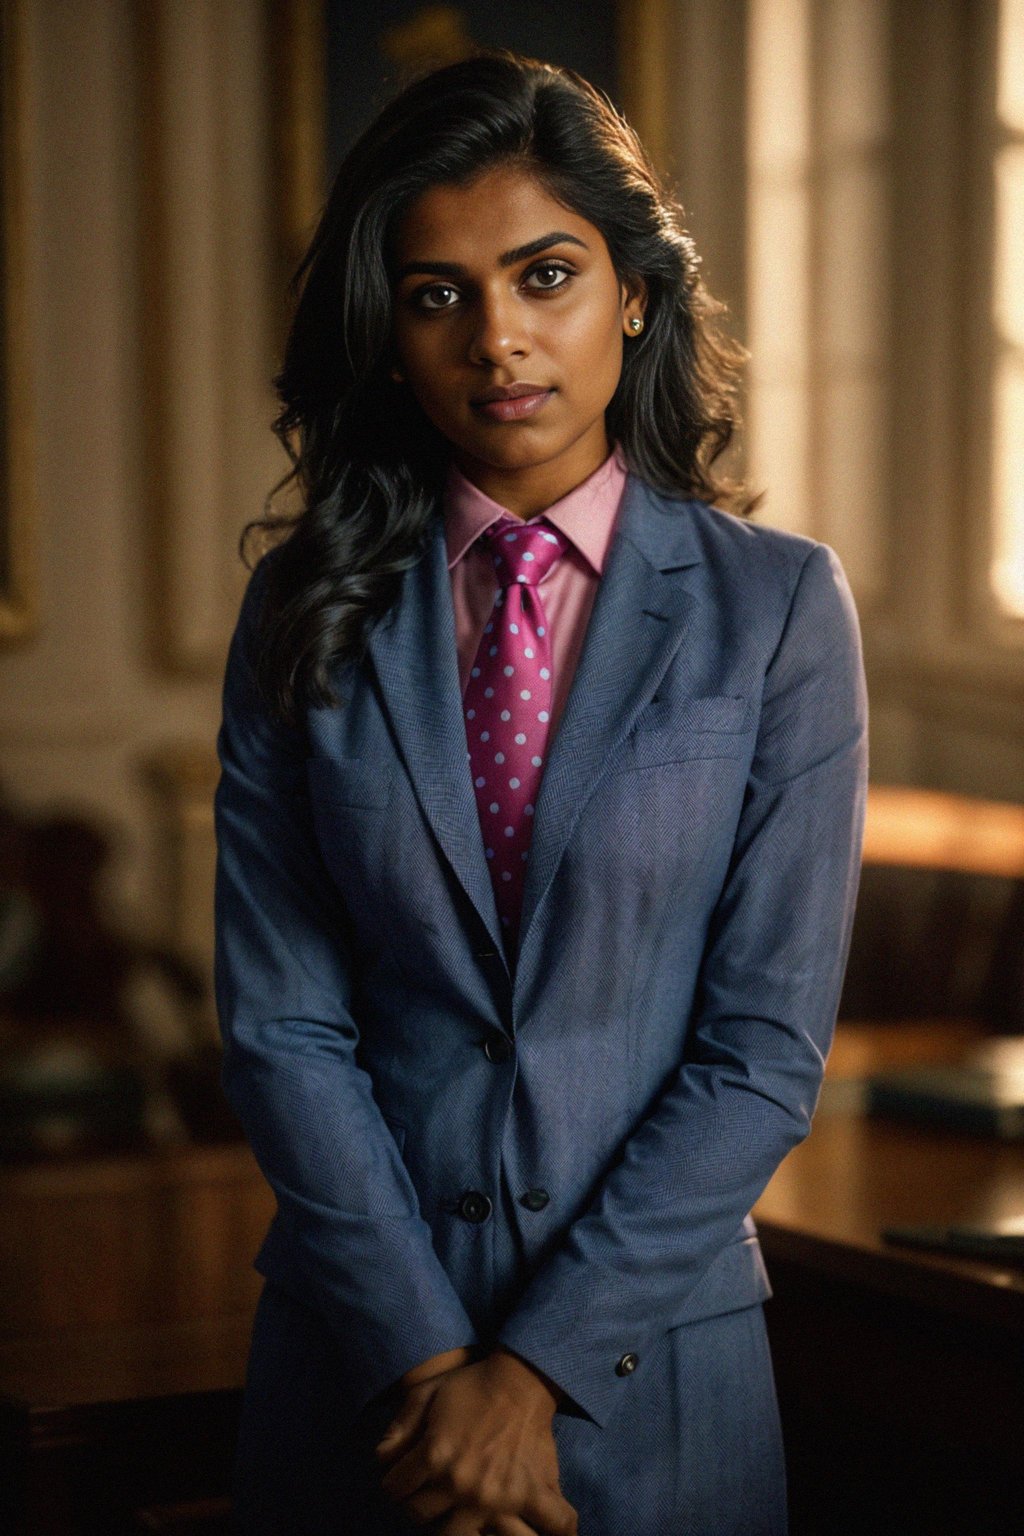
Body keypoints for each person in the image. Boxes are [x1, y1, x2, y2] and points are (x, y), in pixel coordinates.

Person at [214, 49, 867, 1536]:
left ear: (632, 293)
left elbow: (763, 1049)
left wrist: (531, 1376)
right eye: (440, 294)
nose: (498, 339)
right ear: (388, 334)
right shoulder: (300, 610)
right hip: (367, 1383)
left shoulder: (775, 613)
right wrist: (435, 1368)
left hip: (658, 1380)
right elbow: (282, 1030)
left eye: (545, 276)